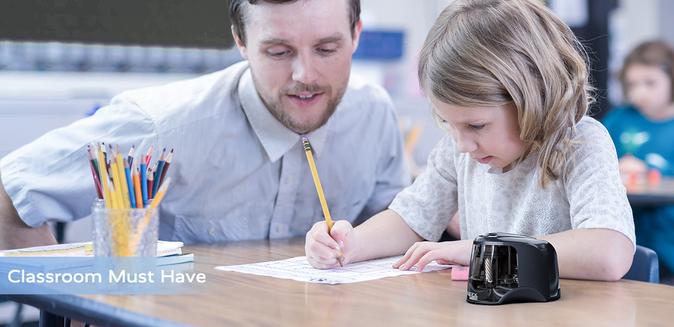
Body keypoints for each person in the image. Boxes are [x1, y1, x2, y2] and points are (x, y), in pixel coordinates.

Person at [0, 0, 410, 249]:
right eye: (279, 51)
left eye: (326, 48)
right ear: (241, 42)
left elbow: (393, 227)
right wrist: (75, 315)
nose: (305, 74)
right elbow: (8, 195)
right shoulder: (161, 127)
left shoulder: (373, 114)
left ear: (356, 35)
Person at [305, 0, 635, 281]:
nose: (462, 143)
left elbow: (609, 252)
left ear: (532, 96)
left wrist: (482, 250)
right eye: (449, 124)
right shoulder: (459, 149)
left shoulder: (580, 142)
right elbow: (412, 219)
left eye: (476, 125)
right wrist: (349, 244)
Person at [603, 40, 674, 285]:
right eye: (632, 84)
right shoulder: (619, 118)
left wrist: (651, 170)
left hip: (671, 236)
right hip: (620, 231)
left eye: (650, 83)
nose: (639, 92)